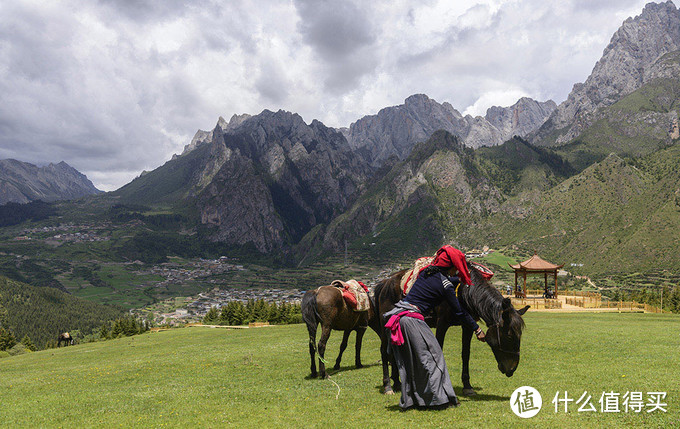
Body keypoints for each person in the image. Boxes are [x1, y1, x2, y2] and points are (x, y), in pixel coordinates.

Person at [384, 245, 485, 411]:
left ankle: (415, 401)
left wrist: (461, 279)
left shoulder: (426, 273)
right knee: (434, 356)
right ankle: (439, 401)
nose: (456, 272)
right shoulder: (446, 285)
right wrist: (477, 329)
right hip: (412, 320)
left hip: (400, 316)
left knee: (414, 361)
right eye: (455, 268)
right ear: (450, 266)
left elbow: (444, 281)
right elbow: (459, 312)